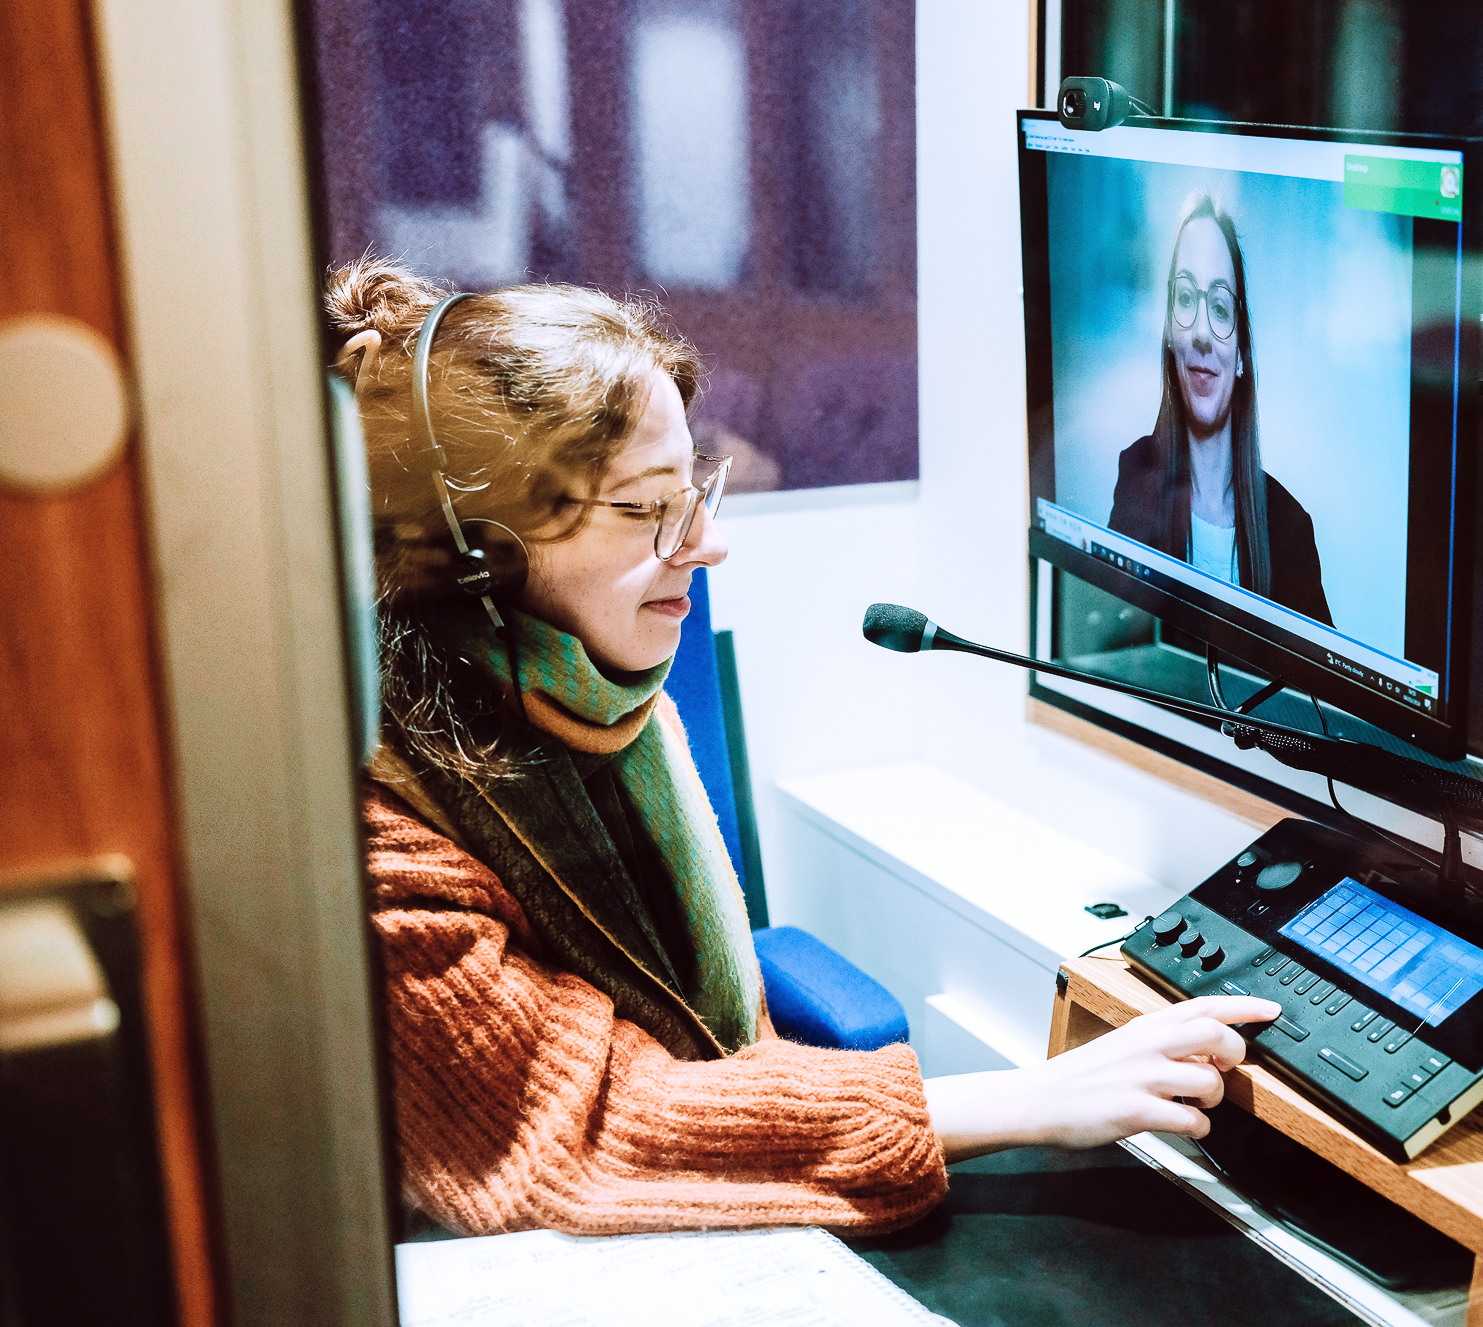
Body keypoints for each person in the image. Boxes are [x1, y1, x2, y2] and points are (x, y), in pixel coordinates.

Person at [329, 258, 1277, 1238]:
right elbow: (587, 1129)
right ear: (476, 558)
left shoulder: (604, 703)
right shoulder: (374, 843)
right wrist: (1025, 1101)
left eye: (695, 488)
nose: (707, 543)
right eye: (645, 506)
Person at [1108, 192, 1332, 625]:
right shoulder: (1136, 477)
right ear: (1169, 335)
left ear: (1242, 353)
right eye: (1185, 299)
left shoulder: (1290, 528)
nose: (1202, 334)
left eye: (1220, 307)